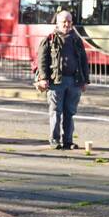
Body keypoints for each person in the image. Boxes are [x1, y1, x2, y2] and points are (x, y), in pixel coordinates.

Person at [35, 10, 90, 150]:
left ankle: (68, 141)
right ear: (58, 23)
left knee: (70, 113)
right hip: (56, 82)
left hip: (74, 81)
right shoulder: (49, 39)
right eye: (64, 21)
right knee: (55, 112)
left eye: (69, 21)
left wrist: (85, 81)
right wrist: (43, 78)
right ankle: (54, 140)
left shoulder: (77, 40)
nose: (67, 24)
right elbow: (42, 60)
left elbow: (84, 61)